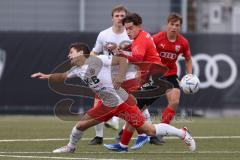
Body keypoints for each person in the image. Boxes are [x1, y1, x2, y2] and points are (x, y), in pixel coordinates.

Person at [31, 42, 196, 153]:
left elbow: (122, 61)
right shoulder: (77, 69)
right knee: (80, 126)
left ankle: (182, 133)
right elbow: (63, 77)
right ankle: (71, 147)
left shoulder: (98, 60)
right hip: (106, 104)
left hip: (121, 101)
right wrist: (46, 76)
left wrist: (119, 77)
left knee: (149, 130)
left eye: (71, 53)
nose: (69, 56)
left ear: (81, 52)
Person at [104, 13, 171, 151]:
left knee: (132, 109)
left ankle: (180, 133)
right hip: (153, 79)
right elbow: (134, 50)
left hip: (155, 81)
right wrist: (120, 49)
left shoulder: (141, 39)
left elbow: (137, 57)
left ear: (138, 26)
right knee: (133, 111)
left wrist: (120, 52)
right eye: (126, 29)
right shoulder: (140, 36)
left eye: (130, 28)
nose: (128, 32)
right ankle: (125, 144)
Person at [89, 5, 131, 145]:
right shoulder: (104, 34)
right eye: (117, 15)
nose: (120, 18)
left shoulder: (130, 35)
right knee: (97, 105)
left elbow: (135, 55)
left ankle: (121, 131)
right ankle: (99, 136)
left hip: (125, 74)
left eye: (122, 16)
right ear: (112, 18)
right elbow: (95, 51)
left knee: (129, 105)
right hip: (106, 74)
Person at [150, 12, 193, 143]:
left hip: (170, 74)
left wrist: (189, 74)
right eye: (172, 24)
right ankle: (123, 132)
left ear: (180, 27)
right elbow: (146, 52)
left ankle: (159, 133)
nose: (174, 27)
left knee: (174, 102)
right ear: (167, 24)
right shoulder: (157, 38)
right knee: (142, 106)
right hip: (155, 75)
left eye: (177, 25)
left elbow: (188, 59)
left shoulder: (183, 42)